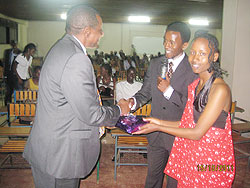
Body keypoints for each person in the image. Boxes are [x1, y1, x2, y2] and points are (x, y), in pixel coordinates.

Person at [23, 5, 130, 188]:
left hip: (49, 146)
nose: (102, 34)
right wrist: (120, 109)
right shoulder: (76, 58)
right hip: (60, 155)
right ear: (87, 32)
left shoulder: (60, 47)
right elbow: (91, 114)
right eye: (100, 30)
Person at [134, 32, 235, 187]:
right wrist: (157, 121)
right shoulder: (195, 86)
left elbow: (196, 132)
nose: (195, 58)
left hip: (210, 161)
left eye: (202, 54)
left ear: (214, 57)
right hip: (191, 154)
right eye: (193, 52)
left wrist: (158, 126)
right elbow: (187, 122)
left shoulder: (219, 89)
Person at [128, 22, 197, 188]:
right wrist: (132, 102)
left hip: (178, 135)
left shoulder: (193, 70)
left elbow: (191, 108)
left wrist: (169, 91)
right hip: (156, 134)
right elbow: (144, 93)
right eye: (165, 40)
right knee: (152, 178)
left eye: (172, 42)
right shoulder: (155, 64)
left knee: (174, 181)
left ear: (185, 45)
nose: (166, 45)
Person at [3, 40, 21, 105]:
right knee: (8, 91)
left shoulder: (20, 53)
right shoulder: (7, 52)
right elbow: (5, 63)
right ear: (11, 44)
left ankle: (18, 106)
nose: (14, 45)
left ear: (17, 44)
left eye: (15, 44)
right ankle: (7, 105)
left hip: (16, 75)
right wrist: (4, 75)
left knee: (17, 91)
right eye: (12, 44)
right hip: (9, 74)